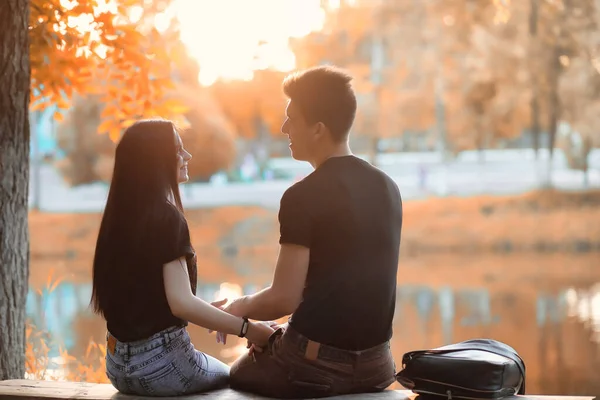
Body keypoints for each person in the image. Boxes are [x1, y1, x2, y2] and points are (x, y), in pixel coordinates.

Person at [214, 66, 403, 398]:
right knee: (279, 336)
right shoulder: (388, 187)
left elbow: (283, 297)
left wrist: (238, 307)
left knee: (236, 374)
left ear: (318, 129)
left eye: (292, 119)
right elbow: (341, 287)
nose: (284, 128)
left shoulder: (302, 196)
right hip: (378, 365)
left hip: (315, 369)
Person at [90, 119, 274, 397]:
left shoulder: (118, 219)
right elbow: (181, 303)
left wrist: (214, 314)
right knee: (237, 377)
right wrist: (249, 329)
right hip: (162, 366)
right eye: (177, 150)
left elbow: (157, 297)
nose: (186, 156)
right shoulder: (166, 218)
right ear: (154, 160)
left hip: (117, 368)